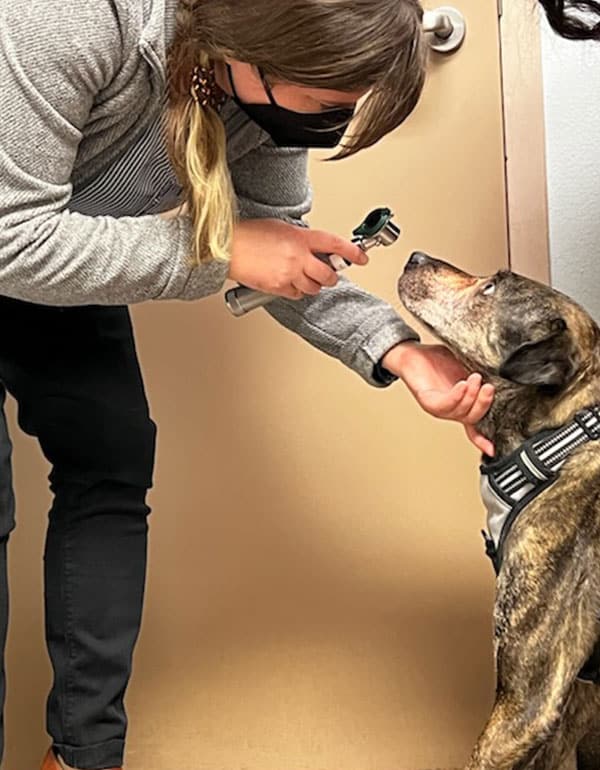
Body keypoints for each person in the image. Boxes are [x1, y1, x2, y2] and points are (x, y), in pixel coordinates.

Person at [0, 1, 496, 768]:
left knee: (112, 461)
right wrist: (222, 248)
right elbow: (11, 237)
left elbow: (283, 260)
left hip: (54, 262)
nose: (344, 118)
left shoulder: (257, 103)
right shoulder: (81, 17)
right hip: (17, 236)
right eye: (335, 102)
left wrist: (403, 355)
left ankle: (82, 758)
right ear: (262, 47)